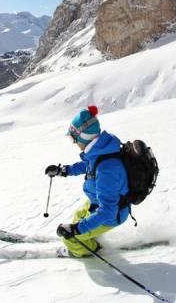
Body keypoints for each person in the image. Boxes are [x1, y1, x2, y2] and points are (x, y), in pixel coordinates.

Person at [45, 105, 130, 257]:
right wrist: (63, 170)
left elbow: (108, 211)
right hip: (97, 201)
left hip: (112, 214)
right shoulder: (100, 151)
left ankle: (88, 249)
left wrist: (76, 230)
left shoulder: (107, 169)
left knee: (72, 239)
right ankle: (87, 235)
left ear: (84, 137)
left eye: (73, 138)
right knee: (78, 215)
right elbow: (88, 165)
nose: (73, 142)